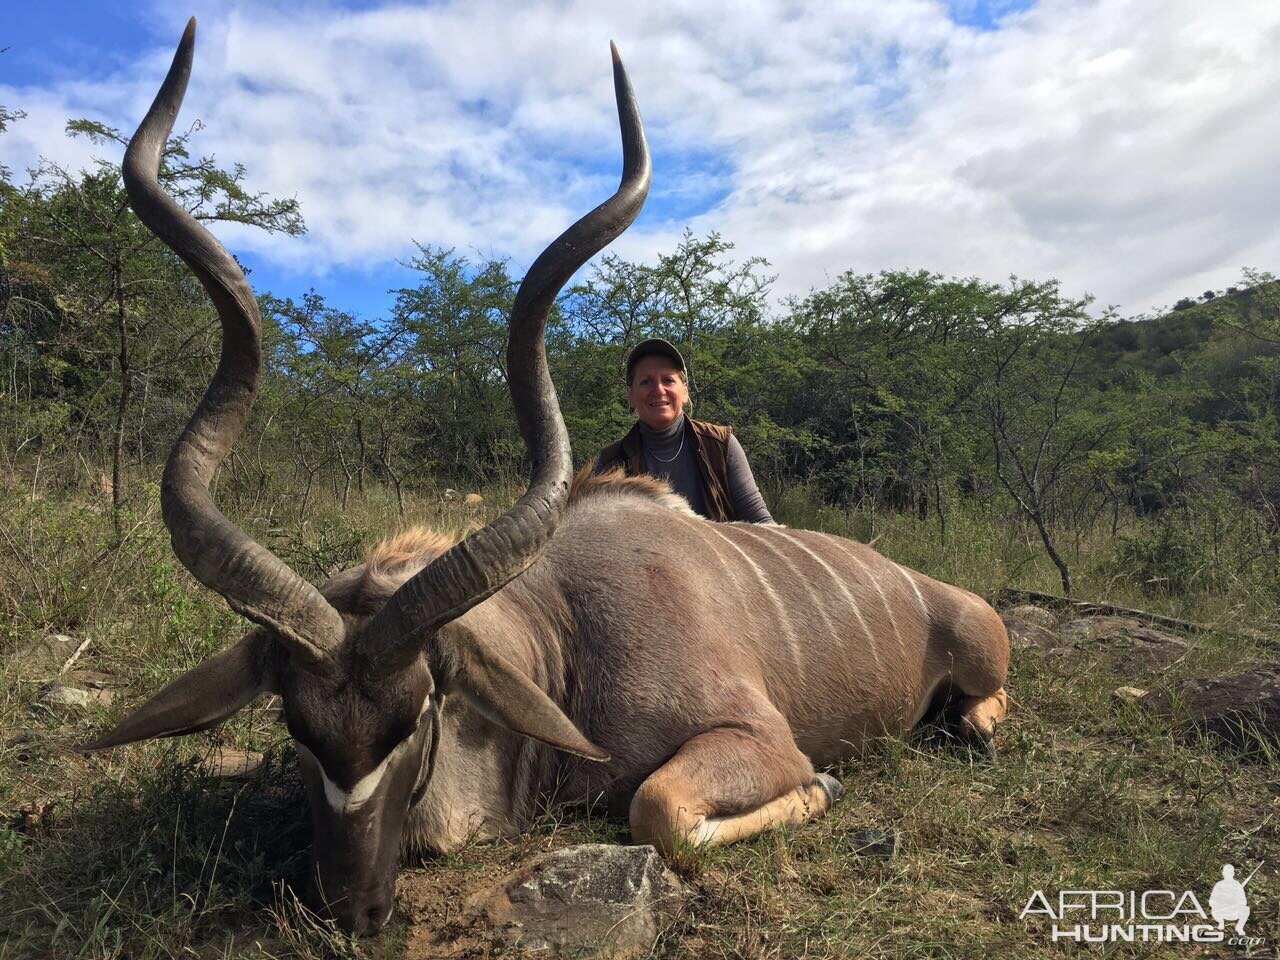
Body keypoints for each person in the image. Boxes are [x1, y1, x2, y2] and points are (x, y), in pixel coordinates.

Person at [595, 338, 775, 523]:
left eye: (668, 380)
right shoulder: (611, 461)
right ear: (630, 396)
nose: (658, 389)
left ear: (685, 392)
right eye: (645, 382)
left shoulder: (720, 445)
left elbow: (761, 521)